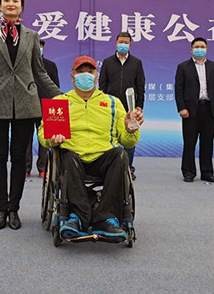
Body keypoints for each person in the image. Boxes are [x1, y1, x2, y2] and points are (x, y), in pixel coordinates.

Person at [0, 0, 61, 231]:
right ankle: (1, 208)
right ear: (0, 5)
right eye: (6, 0)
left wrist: (61, 96)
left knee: (19, 159)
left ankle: (14, 208)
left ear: (21, 6)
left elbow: (39, 72)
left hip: (26, 103)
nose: (10, 3)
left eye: (15, 0)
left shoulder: (32, 36)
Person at [38, 56, 143, 242]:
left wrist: (130, 129)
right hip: (73, 160)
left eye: (90, 71)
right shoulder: (60, 102)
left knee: (120, 155)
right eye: (80, 72)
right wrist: (51, 139)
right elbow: (43, 134)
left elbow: (128, 142)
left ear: (96, 76)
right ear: (72, 77)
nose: (85, 75)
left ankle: (107, 218)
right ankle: (78, 217)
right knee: (68, 157)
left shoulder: (112, 102)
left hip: (103, 160)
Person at [174, 37, 214, 183]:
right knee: (189, 142)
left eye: (202, 47)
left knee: (207, 142)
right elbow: (178, 90)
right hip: (190, 110)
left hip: (209, 109)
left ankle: (207, 172)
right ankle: (188, 172)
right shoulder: (183, 67)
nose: (200, 49)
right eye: (197, 47)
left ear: (207, 49)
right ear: (191, 49)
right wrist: (182, 108)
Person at [99, 31, 145, 180]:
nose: (123, 45)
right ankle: (109, 168)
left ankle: (128, 169)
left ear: (130, 44)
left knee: (130, 137)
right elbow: (102, 85)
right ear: (116, 43)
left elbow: (140, 86)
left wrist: (139, 106)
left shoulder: (136, 62)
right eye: (120, 42)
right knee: (109, 137)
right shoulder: (107, 62)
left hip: (129, 107)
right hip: (110, 107)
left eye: (126, 42)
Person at [25, 39, 60, 178]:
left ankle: (43, 168)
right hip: (27, 107)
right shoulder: (24, 65)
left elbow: (55, 87)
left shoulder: (50, 66)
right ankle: (26, 168)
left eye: (40, 47)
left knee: (45, 139)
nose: (38, 49)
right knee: (26, 140)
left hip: (47, 107)